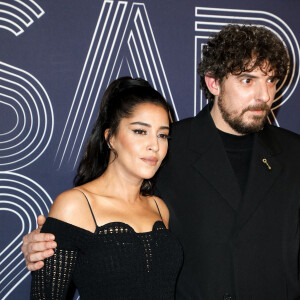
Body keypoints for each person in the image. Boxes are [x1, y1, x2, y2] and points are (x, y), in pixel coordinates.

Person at [22, 24, 300, 299]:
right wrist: (50, 244)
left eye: (272, 80)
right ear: (214, 82)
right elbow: (101, 219)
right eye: (248, 80)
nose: (264, 96)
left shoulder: (295, 153)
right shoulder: (165, 150)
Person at [29, 77, 183, 299]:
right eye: (140, 131)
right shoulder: (74, 205)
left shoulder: (159, 207)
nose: (155, 145)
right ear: (110, 137)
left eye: (162, 134)